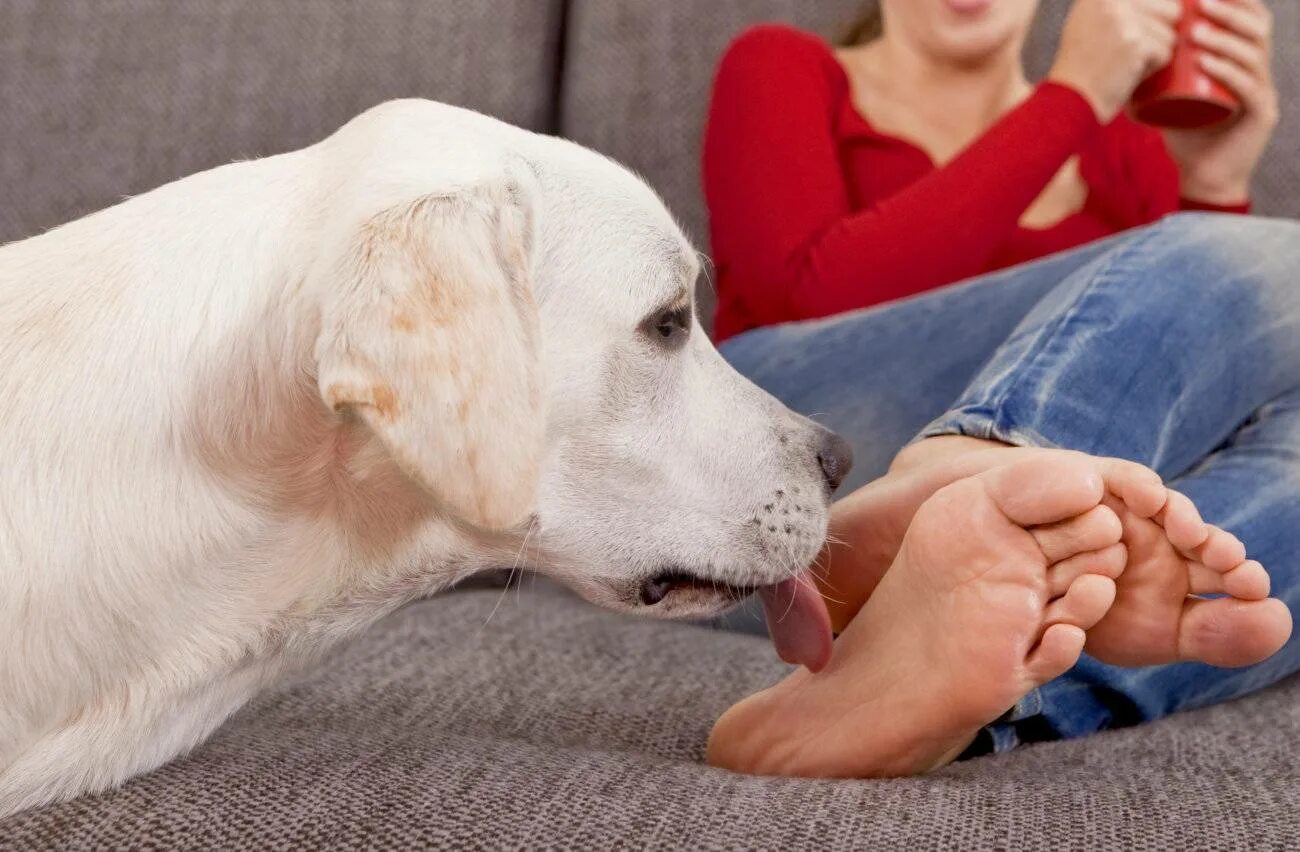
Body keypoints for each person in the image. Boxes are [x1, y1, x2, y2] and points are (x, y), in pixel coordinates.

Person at [699, 0, 1299, 776]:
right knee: (1241, 257)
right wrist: (1074, 96)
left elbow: (1195, 387)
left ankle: (935, 682)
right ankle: (964, 465)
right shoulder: (783, 66)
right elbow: (805, 293)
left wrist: (1212, 177)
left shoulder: (1129, 153)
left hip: (876, 578)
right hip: (780, 453)